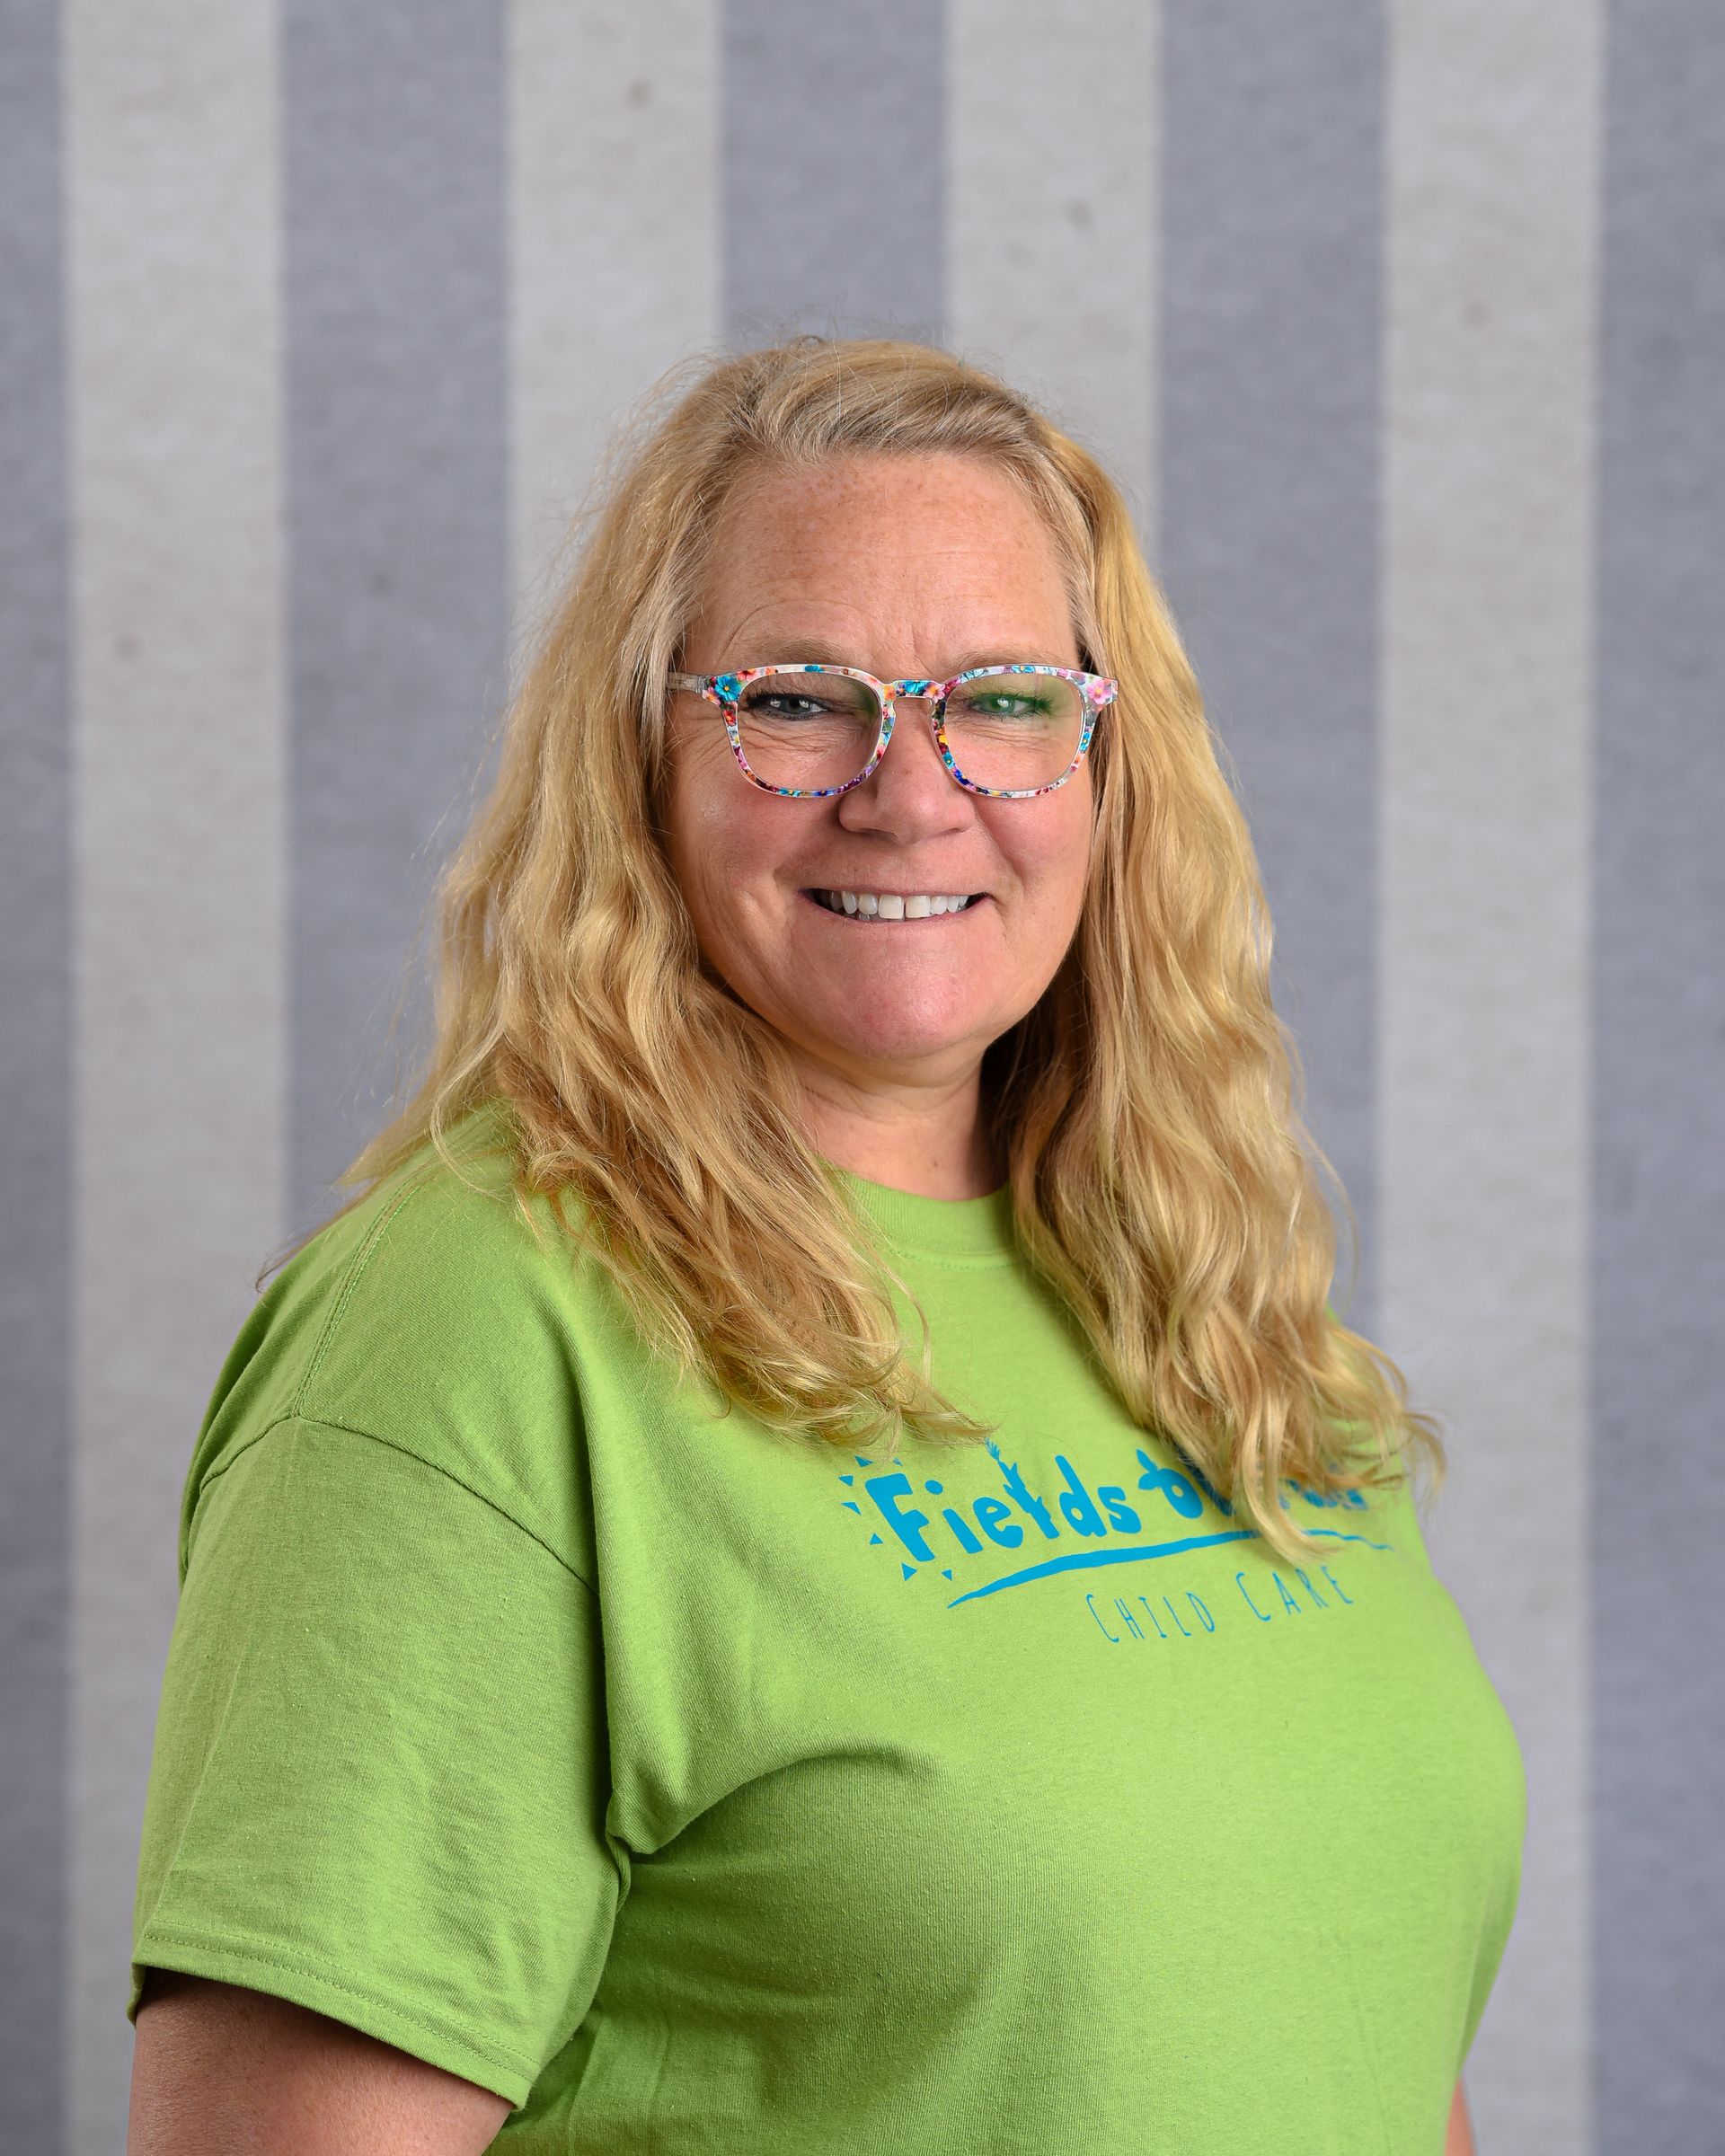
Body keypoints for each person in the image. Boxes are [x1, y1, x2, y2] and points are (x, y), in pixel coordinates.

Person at [127, 337, 1522, 2154]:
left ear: (1106, 763)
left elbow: (1370, 2050)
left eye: (1005, 698)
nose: (911, 787)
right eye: (798, 699)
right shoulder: (470, 1336)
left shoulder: (1218, 1306)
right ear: (644, 762)